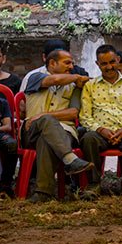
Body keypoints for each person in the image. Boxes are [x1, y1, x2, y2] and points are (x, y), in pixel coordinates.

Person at [21, 48, 93, 200]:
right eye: (67, 63)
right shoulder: (36, 77)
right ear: (52, 63)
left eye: (72, 63)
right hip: (31, 131)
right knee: (46, 122)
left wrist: (43, 115)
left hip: (64, 132)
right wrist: (77, 77)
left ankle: (43, 193)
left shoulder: (74, 87)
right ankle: (70, 159)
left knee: (46, 138)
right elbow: (54, 80)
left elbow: (73, 113)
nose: (71, 67)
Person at [78, 44, 122, 195]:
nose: (109, 67)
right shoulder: (90, 86)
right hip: (100, 133)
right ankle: (94, 184)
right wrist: (101, 130)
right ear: (97, 64)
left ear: (118, 59)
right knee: (88, 139)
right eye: (104, 63)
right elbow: (85, 116)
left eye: (112, 62)